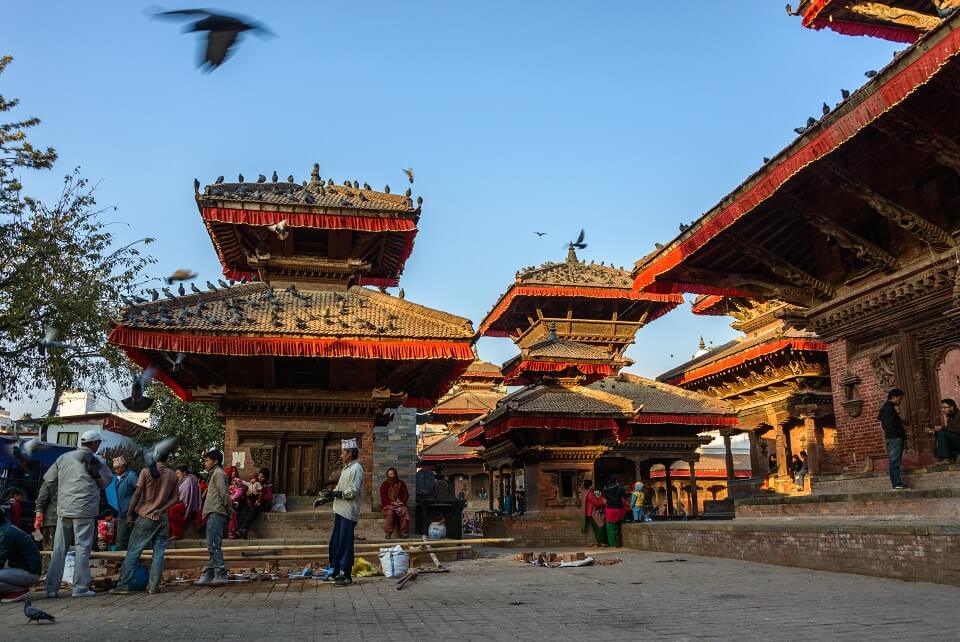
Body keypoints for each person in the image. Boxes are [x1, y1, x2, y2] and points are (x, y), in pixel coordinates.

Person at [43, 429, 112, 598]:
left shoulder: (63, 457)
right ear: (95, 444)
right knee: (82, 548)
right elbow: (106, 482)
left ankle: (51, 588)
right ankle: (80, 588)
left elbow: (48, 479)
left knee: (59, 548)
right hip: (84, 510)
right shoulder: (97, 460)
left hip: (64, 508)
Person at [111, 444, 179, 595]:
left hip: (145, 517)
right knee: (159, 553)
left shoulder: (146, 471)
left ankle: (124, 585)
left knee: (133, 552)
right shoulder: (173, 475)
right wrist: (161, 509)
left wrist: (129, 515)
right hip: (162, 519)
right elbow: (176, 498)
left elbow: (136, 495)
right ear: (167, 458)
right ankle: (153, 586)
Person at [317, 439, 363, 587]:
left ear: (350, 454)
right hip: (339, 510)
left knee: (345, 543)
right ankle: (335, 571)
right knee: (335, 543)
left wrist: (336, 494)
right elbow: (340, 489)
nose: (341, 455)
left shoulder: (357, 468)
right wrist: (326, 498)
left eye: (343, 452)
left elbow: (353, 491)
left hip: (348, 512)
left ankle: (346, 575)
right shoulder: (346, 468)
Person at [196, 449, 231, 587]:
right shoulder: (214, 474)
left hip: (217, 512)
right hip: (213, 512)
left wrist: (229, 511)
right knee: (212, 546)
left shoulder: (218, 474)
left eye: (207, 460)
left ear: (215, 461)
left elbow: (224, 495)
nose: (205, 463)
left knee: (214, 546)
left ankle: (221, 573)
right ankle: (210, 574)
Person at [0, 500, 42, 603]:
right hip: (24, 570)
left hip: (29, 573)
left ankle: (17, 591)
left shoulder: (5, 533)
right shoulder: (6, 528)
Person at [879, 388, 908, 490]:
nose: (900, 401)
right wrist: (898, 435)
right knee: (894, 461)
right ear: (894, 397)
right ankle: (896, 483)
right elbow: (888, 425)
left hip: (893, 438)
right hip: (894, 438)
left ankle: (897, 483)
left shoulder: (887, 408)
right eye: (899, 399)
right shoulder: (888, 408)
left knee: (895, 461)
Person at [168, 465, 202, 540]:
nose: (176, 475)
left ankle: (177, 533)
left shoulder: (188, 480)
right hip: (181, 502)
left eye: (178, 473)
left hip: (184, 504)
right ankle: (171, 533)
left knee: (173, 510)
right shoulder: (187, 479)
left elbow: (183, 495)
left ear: (184, 473)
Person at [237, 468, 273, 539]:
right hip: (253, 503)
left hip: (264, 505)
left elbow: (269, 497)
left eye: (262, 477)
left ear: (266, 478)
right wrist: (247, 493)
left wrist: (260, 493)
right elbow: (246, 490)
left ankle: (244, 529)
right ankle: (241, 530)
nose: (260, 478)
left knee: (253, 510)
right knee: (244, 510)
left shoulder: (268, 485)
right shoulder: (254, 482)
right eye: (259, 476)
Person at [111, 456, 137, 550]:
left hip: (129, 512)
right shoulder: (120, 478)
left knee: (122, 539)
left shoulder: (131, 476)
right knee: (122, 538)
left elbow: (140, 490)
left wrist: (135, 508)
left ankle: (121, 560)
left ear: (123, 467)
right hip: (122, 512)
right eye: (114, 469)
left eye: (117, 468)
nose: (115, 471)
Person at [32, 479, 58, 570]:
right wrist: (38, 519)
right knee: (48, 548)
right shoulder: (49, 483)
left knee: (54, 548)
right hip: (50, 521)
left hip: (58, 520)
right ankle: (46, 571)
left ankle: (51, 572)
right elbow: (40, 502)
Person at [379, 467, 409, 539]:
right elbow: (383, 496)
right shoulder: (385, 484)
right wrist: (392, 503)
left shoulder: (401, 483)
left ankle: (403, 532)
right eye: (389, 474)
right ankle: (388, 533)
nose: (391, 476)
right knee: (390, 513)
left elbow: (406, 494)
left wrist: (401, 502)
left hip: (400, 504)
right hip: (389, 505)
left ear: (395, 474)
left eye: (392, 474)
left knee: (404, 511)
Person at [602, 478, 629, 547]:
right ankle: (618, 543)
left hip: (610, 509)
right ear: (616, 481)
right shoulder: (620, 488)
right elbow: (625, 496)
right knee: (617, 526)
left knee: (610, 527)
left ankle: (612, 543)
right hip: (619, 509)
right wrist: (631, 493)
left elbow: (605, 499)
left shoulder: (605, 489)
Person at [580, 479, 605, 546]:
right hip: (592, 513)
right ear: (590, 485)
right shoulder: (590, 493)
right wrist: (603, 502)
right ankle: (601, 542)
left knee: (596, 527)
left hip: (588, 513)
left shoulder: (584, 492)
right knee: (600, 526)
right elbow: (596, 503)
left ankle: (599, 542)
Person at [934, 398, 960, 463]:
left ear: (952, 407)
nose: (943, 410)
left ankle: (946, 458)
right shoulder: (949, 419)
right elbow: (949, 431)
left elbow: (957, 430)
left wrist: (943, 428)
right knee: (940, 435)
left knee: (942, 434)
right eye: (942, 408)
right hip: (956, 440)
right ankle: (953, 456)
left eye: (945, 408)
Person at [225, 466, 245, 539]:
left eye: (235, 471)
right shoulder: (228, 486)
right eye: (232, 471)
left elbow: (235, 497)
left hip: (233, 506)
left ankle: (232, 532)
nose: (234, 473)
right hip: (226, 505)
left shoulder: (238, 488)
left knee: (232, 516)